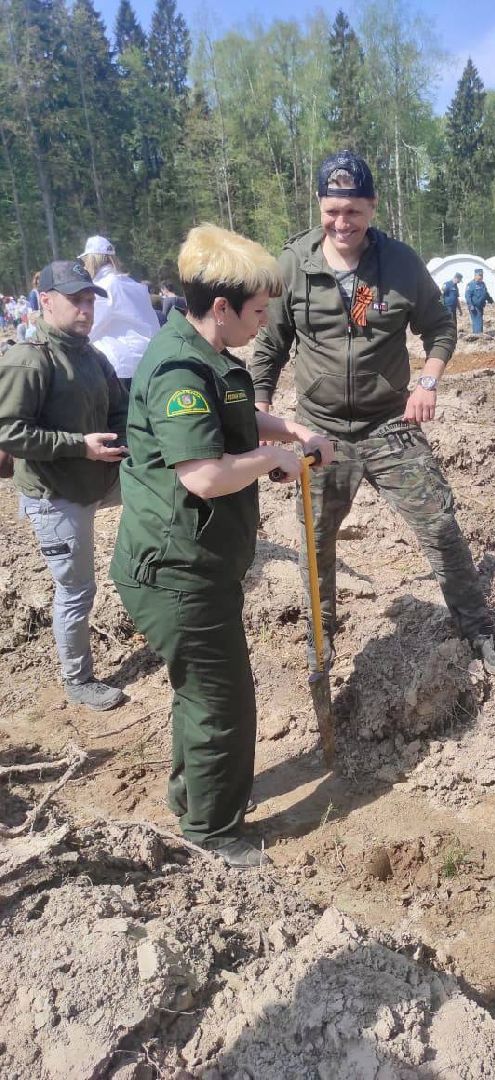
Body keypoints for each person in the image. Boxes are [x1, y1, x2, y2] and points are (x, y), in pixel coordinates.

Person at [110, 224, 334, 869]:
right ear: (220, 307)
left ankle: (192, 798)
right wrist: (274, 458)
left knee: (201, 692)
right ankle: (211, 830)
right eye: (259, 311)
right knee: (221, 701)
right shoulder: (179, 369)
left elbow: (232, 408)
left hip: (201, 562)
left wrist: (284, 424)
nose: (265, 324)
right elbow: (204, 475)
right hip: (179, 570)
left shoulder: (210, 359)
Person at [251, 151, 495, 678]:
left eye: (353, 211)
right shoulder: (293, 264)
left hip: (391, 423)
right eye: (332, 211)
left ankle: (478, 629)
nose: (342, 223)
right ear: (320, 206)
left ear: (372, 206)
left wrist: (428, 381)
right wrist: (260, 415)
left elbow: (440, 327)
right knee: (315, 540)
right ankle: (320, 639)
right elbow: (269, 347)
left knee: (439, 525)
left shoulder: (399, 264)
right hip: (319, 428)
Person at [0, 260, 129, 710]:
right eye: (76, 300)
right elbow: (8, 432)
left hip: (100, 476)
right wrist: (80, 445)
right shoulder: (29, 358)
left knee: (160, 495)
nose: (86, 310)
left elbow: (119, 409)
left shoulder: (91, 355)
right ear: (46, 300)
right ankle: (78, 679)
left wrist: (124, 443)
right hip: (55, 495)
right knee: (76, 591)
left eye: (91, 300)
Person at [80, 235, 161, 391]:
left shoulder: (103, 288)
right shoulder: (133, 285)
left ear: (91, 260)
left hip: (121, 366)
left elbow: (89, 329)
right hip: (150, 361)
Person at [464, 268, 494, 334]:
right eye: (480, 275)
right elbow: (467, 296)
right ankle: (477, 334)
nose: (481, 277)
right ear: (475, 275)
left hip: (480, 306)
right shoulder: (470, 284)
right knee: (477, 320)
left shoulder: (482, 284)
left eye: (482, 276)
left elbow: (485, 293)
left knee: (479, 320)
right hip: (474, 306)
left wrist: (490, 299)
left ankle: (478, 334)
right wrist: (471, 305)